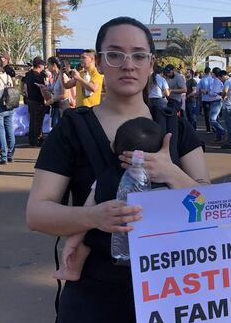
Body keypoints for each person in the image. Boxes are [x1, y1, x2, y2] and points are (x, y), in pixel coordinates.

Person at [27, 16, 210, 323]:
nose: (127, 64)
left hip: (167, 294)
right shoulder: (73, 127)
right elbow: (38, 212)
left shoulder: (176, 128)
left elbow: (211, 210)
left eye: (138, 55)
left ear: (151, 65)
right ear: (99, 63)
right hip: (94, 291)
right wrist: (94, 216)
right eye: (115, 54)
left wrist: (170, 172)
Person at [56, 117, 166, 281]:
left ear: (113, 147)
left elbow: (87, 210)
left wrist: (72, 242)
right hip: (154, 247)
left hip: (113, 246)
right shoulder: (164, 180)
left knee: (86, 244)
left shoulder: (104, 179)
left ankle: (72, 271)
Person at [0, 56, 16, 164]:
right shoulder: (8, 76)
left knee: (0, 131)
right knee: (9, 130)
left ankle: (4, 156)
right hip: (9, 106)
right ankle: (11, 154)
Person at [23, 57, 48, 147]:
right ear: (40, 65)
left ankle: (32, 139)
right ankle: (38, 139)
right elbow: (44, 88)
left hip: (30, 100)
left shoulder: (28, 74)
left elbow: (25, 88)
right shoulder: (40, 75)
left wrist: (27, 96)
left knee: (32, 120)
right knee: (38, 121)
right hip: (39, 100)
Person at [46, 57, 73, 128]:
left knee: (61, 131)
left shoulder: (63, 77)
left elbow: (65, 95)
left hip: (62, 108)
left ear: (54, 65)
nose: (47, 67)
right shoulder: (55, 77)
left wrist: (52, 100)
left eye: (48, 64)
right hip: (56, 107)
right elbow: (54, 91)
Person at [220, 69, 231, 149]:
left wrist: (223, 96)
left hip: (228, 106)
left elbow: (224, 91)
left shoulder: (227, 82)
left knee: (229, 126)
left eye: (221, 78)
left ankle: (230, 142)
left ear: (223, 76)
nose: (221, 80)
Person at [208, 68, 225, 142]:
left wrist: (208, 92)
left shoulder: (217, 82)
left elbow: (217, 92)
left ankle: (223, 131)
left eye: (212, 72)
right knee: (216, 119)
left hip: (217, 101)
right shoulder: (215, 81)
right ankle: (219, 136)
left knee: (212, 119)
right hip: (215, 101)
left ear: (214, 73)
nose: (211, 73)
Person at [198, 67, 213, 132]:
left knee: (206, 114)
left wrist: (199, 99)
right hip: (213, 98)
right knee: (213, 114)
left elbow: (199, 90)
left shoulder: (202, 80)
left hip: (205, 99)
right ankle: (214, 127)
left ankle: (208, 129)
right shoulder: (213, 79)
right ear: (210, 72)